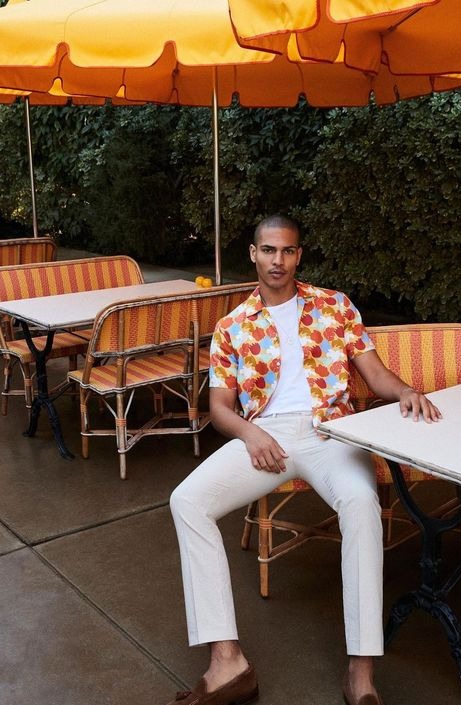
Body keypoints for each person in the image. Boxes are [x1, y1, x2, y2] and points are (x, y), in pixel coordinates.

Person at [168, 215, 441, 705]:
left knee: (360, 504)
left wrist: (404, 390)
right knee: (187, 501)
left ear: (299, 255)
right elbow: (220, 408)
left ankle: (361, 673)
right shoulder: (232, 327)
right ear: (253, 254)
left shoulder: (334, 306)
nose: (278, 260)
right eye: (269, 250)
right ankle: (227, 661)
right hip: (265, 436)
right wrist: (251, 434)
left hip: (331, 432)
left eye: (288, 251)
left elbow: (375, 374)